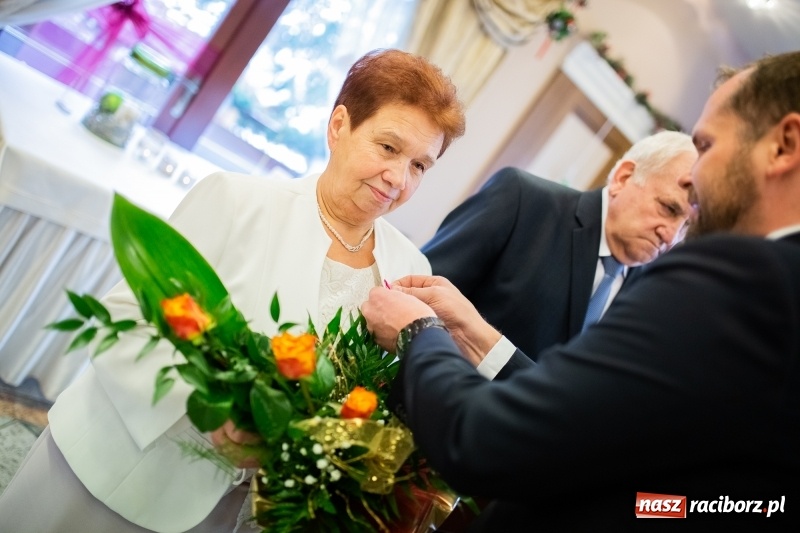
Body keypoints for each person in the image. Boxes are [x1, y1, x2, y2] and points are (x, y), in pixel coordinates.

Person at [0, 48, 465, 532]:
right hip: (117, 472)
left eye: (419, 166)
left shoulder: (409, 268)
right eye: (388, 148)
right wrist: (209, 414)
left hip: (238, 515)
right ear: (339, 126)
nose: (398, 178)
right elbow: (127, 323)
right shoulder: (237, 201)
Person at [361, 49, 800, 530]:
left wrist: (420, 331)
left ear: (784, 145)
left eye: (709, 145)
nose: (695, 179)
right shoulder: (527, 201)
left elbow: (487, 439)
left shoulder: (733, 284)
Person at [422, 130, 697, 362]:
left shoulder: (649, 295)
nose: (671, 237)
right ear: (623, 178)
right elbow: (419, 292)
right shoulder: (524, 201)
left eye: (687, 226)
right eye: (668, 208)